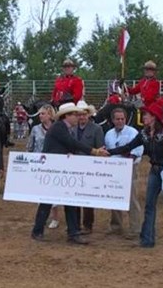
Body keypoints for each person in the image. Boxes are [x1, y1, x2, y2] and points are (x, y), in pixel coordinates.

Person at [31, 103, 109, 245]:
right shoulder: (61, 127)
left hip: (57, 168)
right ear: (67, 116)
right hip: (56, 169)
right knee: (57, 201)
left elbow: (68, 145)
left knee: (56, 200)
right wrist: (94, 151)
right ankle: (67, 232)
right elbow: (72, 143)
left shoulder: (61, 127)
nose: (78, 117)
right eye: (75, 115)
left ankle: (64, 232)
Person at [108, 102, 163, 248]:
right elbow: (128, 147)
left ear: (154, 118)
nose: (143, 117)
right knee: (150, 205)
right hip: (155, 171)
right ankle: (147, 239)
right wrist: (109, 152)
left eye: (146, 115)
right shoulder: (143, 134)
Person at [104, 107, 144, 239]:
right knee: (114, 196)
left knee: (131, 197)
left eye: (122, 119)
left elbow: (138, 150)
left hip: (129, 167)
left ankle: (135, 228)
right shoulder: (109, 134)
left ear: (125, 119)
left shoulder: (133, 132)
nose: (120, 121)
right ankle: (116, 226)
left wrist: (127, 162)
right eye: (117, 119)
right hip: (113, 169)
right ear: (113, 120)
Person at [26, 104, 59, 229]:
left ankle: (55, 217)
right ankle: (42, 217)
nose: (40, 116)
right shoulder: (35, 129)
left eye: (43, 113)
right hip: (38, 163)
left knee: (53, 191)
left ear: (50, 115)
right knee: (40, 191)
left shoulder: (57, 128)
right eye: (39, 114)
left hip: (53, 163)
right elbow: (30, 145)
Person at [74, 101, 104, 233]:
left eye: (84, 115)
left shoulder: (97, 129)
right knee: (73, 197)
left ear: (89, 115)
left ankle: (88, 225)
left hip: (90, 167)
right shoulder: (72, 129)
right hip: (74, 166)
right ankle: (75, 223)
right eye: (79, 115)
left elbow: (100, 148)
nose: (82, 117)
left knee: (87, 198)